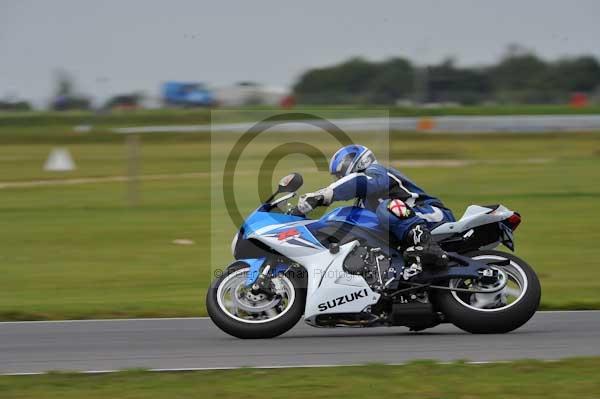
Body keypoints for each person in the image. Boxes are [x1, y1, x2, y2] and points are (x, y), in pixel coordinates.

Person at [296, 144, 455, 270]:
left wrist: (323, 195)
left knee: (387, 206)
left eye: (341, 173)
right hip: (405, 231)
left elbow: (359, 182)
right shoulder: (363, 201)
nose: (340, 178)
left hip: (431, 214)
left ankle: (427, 245)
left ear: (357, 162)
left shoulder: (377, 172)